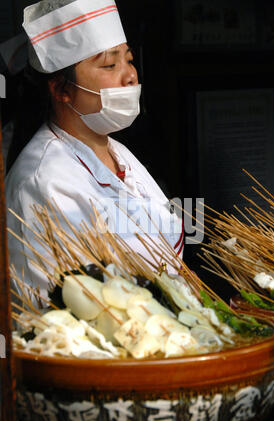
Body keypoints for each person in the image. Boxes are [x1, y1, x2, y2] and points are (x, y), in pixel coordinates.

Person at [5, 0, 183, 300]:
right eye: (110, 65)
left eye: (129, 59)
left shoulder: (119, 153)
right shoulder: (43, 182)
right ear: (61, 90)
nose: (130, 76)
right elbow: (65, 313)